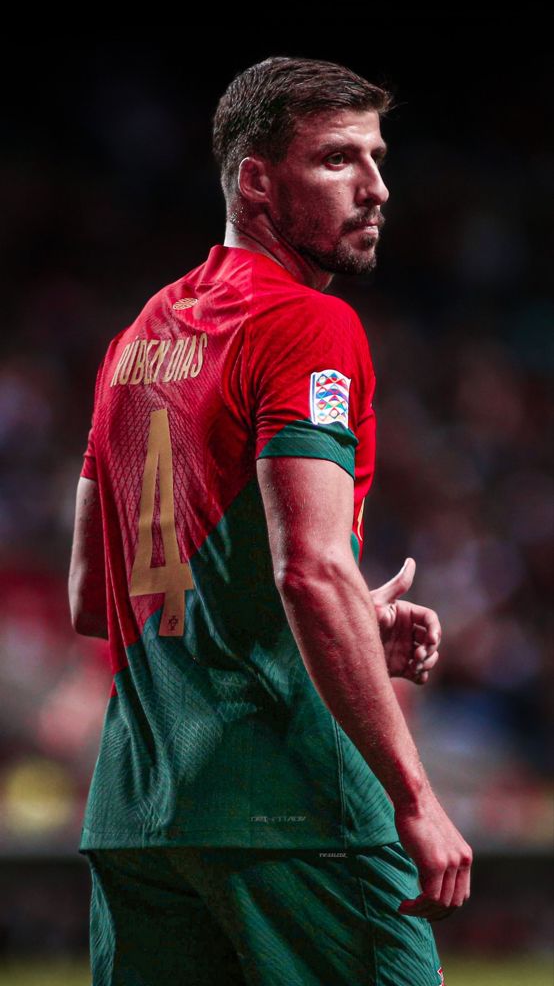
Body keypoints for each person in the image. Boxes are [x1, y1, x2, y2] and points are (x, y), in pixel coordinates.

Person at [69, 55, 472, 986]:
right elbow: (310, 570)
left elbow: (101, 596)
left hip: (142, 818)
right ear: (256, 180)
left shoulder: (137, 340)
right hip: (293, 809)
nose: (377, 188)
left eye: (377, 157)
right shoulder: (307, 326)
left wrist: (348, 627)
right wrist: (414, 798)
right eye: (338, 160)